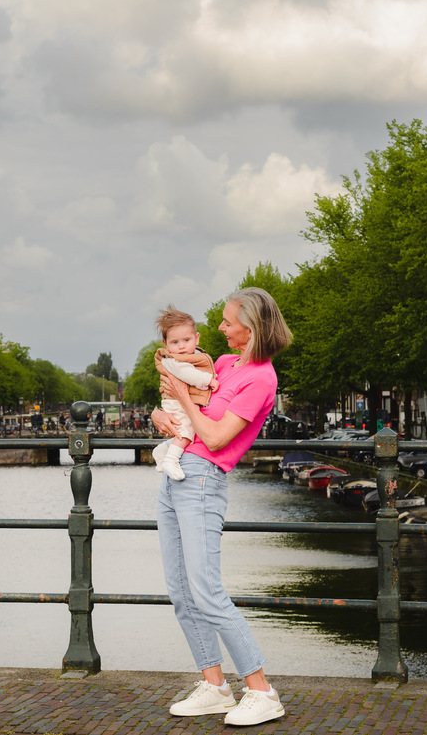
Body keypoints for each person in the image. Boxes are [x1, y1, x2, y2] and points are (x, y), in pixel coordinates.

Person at [151, 287, 292, 727]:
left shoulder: (261, 379)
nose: (220, 327)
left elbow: (215, 437)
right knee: (180, 589)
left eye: (228, 321)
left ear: (250, 327)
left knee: (207, 590)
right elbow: (181, 402)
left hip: (204, 479)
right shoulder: (227, 364)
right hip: (175, 479)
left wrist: (183, 399)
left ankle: (262, 691)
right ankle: (214, 686)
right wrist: (163, 415)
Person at [151, 305, 218, 480]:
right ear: (165, 344)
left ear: (196, 338)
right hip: (175, 402)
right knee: (187, 430)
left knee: (188, 429)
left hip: (180, 401)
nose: (181, 347)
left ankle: (163, 450)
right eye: (175, 342)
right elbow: (188, 374)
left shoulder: (192, 355)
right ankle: (171, 460)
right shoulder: (172, 360)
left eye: (186, 340)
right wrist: (208, 381)